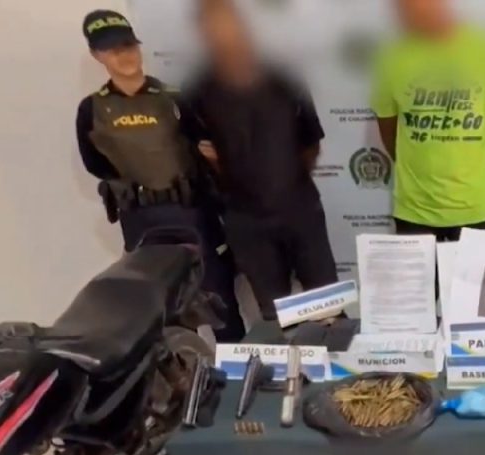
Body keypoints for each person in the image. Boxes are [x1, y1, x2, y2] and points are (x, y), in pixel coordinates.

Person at [75, 9, 246, 342]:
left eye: (128, 46)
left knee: (220, 303)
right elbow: (94, 163)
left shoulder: (174, 98)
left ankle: (239, 371)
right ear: (97, 55)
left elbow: (206, 147)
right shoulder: (92, 109)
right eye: (112, 49)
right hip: (142, 221)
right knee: (165, 311)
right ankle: (184, 373)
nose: (123, 55)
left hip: (191, 213)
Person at [183, 0, 339, 322]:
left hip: (300, 210)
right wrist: (243, 185)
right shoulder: (196, 91)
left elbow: (311, 141)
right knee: (275, 316)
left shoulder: (285, 78)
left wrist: (286, 183)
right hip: (245, 220)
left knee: (329, 308)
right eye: (214, 26)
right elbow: (204, 152)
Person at [371, 0, 485, 242]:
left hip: (475, 208)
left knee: (473, 271)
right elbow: (388, 129)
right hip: (414, 211)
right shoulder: (391, 56)